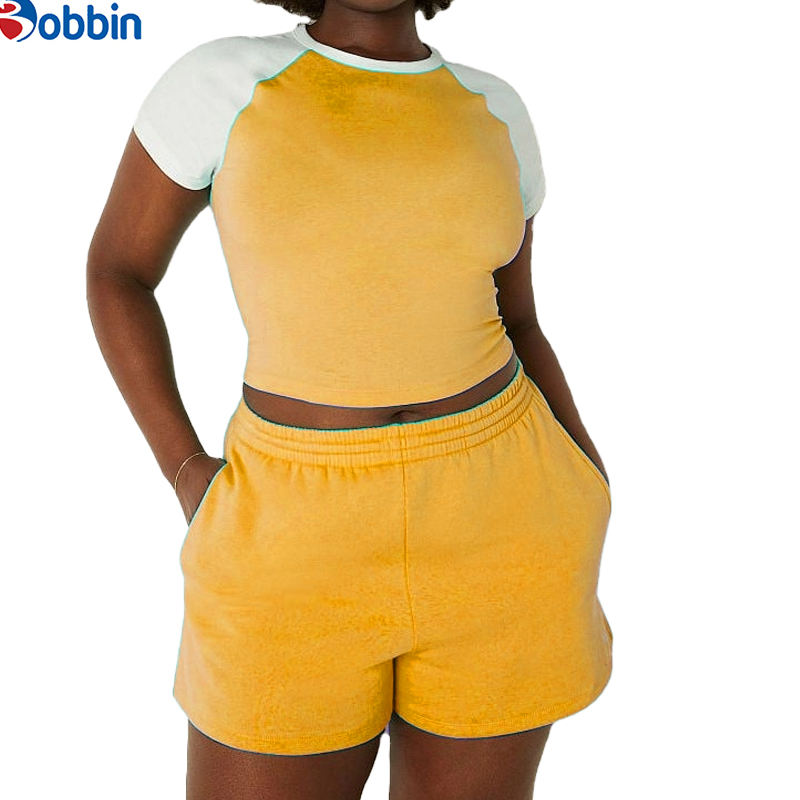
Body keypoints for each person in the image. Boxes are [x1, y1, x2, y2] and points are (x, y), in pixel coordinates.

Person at [86, 1, 614, 797]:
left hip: (504, 514)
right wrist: (185, 468)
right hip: (291, 529)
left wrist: (584, 476)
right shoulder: (222, 82)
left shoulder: (495, 108)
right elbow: (118, 272)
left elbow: (521, 318)